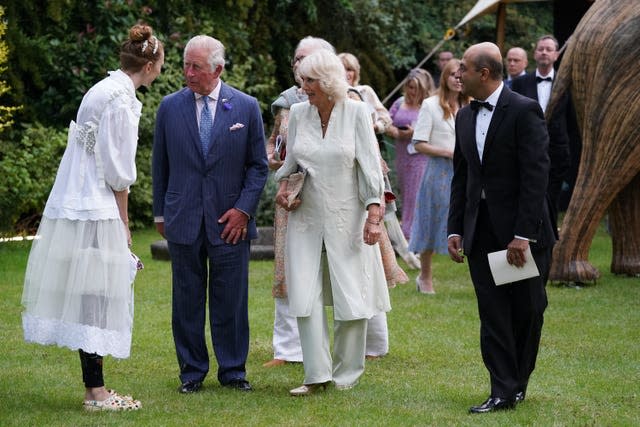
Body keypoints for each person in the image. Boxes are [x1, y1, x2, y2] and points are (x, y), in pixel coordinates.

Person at [21, 24, 164, 411]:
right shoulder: (120, 98)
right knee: (98, 295)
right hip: (95, 202)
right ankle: (97, 393)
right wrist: (122, 224)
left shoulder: (106, 89)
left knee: (91, 292)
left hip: (78, 196)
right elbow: (117, 172)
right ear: (150, 65)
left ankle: (94, 388)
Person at [152, 35, 268, 394]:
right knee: (186, 299)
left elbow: (258, 167)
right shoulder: (169, 108)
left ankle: (233, 371)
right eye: (185, 65)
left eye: (196, 67)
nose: (188, 73)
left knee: (231, 300)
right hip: (183, 217)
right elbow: (161, 164)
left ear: (217, 69)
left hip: (230, 222)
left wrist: (244, 210)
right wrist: (160, 213)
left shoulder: (246, 107)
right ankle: (191, 372)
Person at [274, 49, 391, 396]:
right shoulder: (297, 113)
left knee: (351, 297)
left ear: (327, 82)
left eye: (309, 81)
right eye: (302, 80)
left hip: (349, 216)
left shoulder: (355, 112)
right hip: (305, 217)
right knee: (305, 295)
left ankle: (346, 375)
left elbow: (370, 167)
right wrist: (283, 187)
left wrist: (374, 215)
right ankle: (316, 375)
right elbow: (291, 161)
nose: (303, 87)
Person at [448, 42, 555, 413]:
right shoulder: (463, 117)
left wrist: (522, 235)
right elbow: (462, 178)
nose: (456, 74)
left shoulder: (524, 111)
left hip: (521, 235)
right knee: (492, 313)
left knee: (527, 310)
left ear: (484, 73)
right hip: (481, 232)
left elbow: (536, 175)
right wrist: (455, 229)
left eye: (463, 68)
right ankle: (501, 389)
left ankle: (519, 379)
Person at [264, 36, 335, 369]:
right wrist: (272, 157)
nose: (298, 65)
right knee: (288, 269)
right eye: (296, 59)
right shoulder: (284, 103)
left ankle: (359, 344)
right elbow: (276, 147)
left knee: (341, 270)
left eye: (306, 59)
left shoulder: (344, 100)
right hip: (290, 195)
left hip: (332, 196)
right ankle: (288, 348)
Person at [340, 52, 409, 359]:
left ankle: (375, 342)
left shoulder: (363, 94)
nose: (347, 74)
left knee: (372, 262)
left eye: (350, 69)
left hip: (368, 182)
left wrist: (375, 124)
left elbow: (384, 119)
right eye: (341, 69)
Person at [409, 58, 470, 295]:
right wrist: (448, 152)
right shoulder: (431, 105)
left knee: (469, 219)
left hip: (466, 170)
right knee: (432, 221)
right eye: (453, 74)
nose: (457, 78)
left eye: (461, 74)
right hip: (438, 170)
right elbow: (419, 143)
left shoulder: (470, 104)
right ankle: (425, 277)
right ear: (444, 77)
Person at [511, 35, 571, 231]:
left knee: (552, 196)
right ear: (535, 54)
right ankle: (528, 235)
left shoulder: (566, 83)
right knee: (528, 194)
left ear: (556, 55)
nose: (544, 52)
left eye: (548, 49)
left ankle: (550, 238)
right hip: (527, 150)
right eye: (540, 49)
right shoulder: (521, 83)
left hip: (557, 151)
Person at [386, 68, 435, 239]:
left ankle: (411, 231)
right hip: (402, 153)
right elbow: (387, 121)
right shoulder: (399, 102)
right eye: (409, 87)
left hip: (421, 154)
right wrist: (396, 132)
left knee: (416, 191)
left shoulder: (430, 105)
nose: (412, 91)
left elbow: (437, 129)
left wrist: (415, 132)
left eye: (415, 87)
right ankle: (412, 229)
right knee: (406, 190)